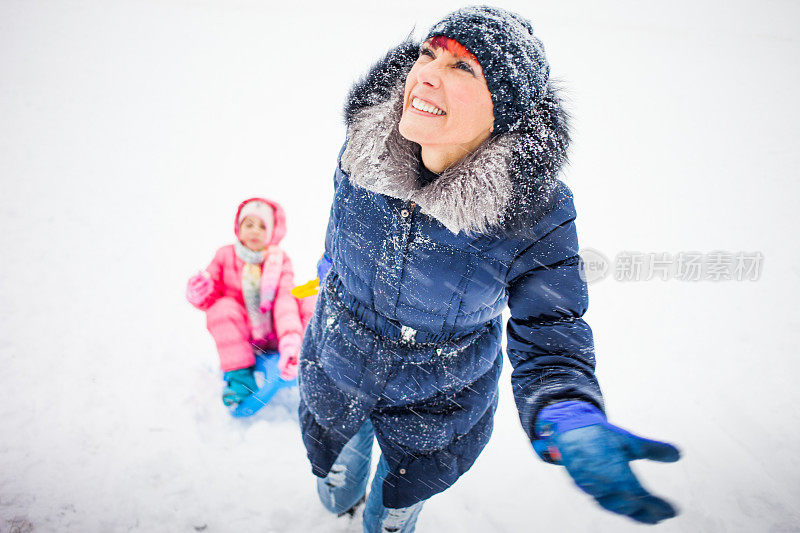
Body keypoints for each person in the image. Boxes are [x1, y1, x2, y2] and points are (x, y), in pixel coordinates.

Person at [298, 7, 681, 532]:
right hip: (335, 366)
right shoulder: (362, 151)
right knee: (335, 476)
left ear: (507, 111)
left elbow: (551, 329)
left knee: (396, 500)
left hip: (436, 408)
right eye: (429, 53)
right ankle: (340, 492)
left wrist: (567, 410)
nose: (426, 73)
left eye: (464, 68)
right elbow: (338, 231)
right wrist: (329, 271)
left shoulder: (533, 214)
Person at [187, 198, 312, 406]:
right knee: (222, 308)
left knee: (309, 299)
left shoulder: (279, 260)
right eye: (249, 224)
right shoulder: (225, 256)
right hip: (244, 335)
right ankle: (240, 380)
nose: (255, 231)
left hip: (276, 332)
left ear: (272, 232)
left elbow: (284, 300)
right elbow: (210, 295)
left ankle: (309, 357)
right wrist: (200, 291)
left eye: (263, 227)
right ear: (239, 227)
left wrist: (291, 340)